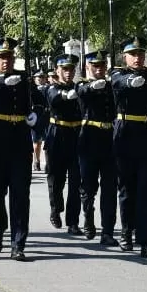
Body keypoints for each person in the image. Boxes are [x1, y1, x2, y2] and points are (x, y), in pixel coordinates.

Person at [0, 38, 41, 261]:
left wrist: (36, 116)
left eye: (9, 57)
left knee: (21, 195)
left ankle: (18, 243)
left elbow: (40, 103)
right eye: (1, 57)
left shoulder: (24, 79)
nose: (6, 61)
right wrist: (2, 81)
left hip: (19, 141)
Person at [111, 36, 147, 258]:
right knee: (127, 190)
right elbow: (117, 84)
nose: (137, 58)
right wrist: (130, 81)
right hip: (126, 135)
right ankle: (126, 232)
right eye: (133, 54)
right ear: (125, 56)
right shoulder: (117, 74)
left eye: (141, 54)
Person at [78, 52, 119, 245]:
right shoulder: (82, 85)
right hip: (89, 139)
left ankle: (108, 231)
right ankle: (88, 217)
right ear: (88, 67)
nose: (99, 69)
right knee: (88, 186)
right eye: (95, 66)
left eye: (102, 65)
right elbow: (82, 93)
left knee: (110, 188)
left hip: (109, 138)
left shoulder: (110, 86)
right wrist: (92, 86)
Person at [45, 54, 84, 235]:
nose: (68, 73)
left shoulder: (79, 87)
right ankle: (56, 208)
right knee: (56, 179)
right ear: (57, 70)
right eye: (65, 69)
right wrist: (65, 95)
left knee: (76, 181)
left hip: (76, 135)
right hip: (57, 135)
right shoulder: (53, 87)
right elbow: (53, 97)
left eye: (71, 69)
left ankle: (73, 221)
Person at [32, 70, 49, 171]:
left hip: (46, 115)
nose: (41, 79)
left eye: (42, 78)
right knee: (36, 141)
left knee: (47, 141)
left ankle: (48, 163)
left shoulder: (48, 88)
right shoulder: (32, 89)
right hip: (36, 115)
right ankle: (36, 161)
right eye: (39, 78)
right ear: (35, 79)